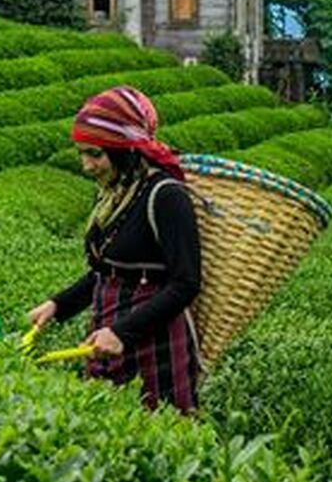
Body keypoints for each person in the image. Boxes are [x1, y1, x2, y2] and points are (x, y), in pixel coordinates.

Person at [27, 86, 204, 414]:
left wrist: (123, 332)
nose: (87, 165)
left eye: (95, 154)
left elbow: (186, 283)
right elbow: (108, 272)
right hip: (105, 331)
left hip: (154, 339)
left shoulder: (166, 196)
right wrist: (58, 305)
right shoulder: (114, 193)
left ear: (125, 149)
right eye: (81, 153)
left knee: (157, 432)